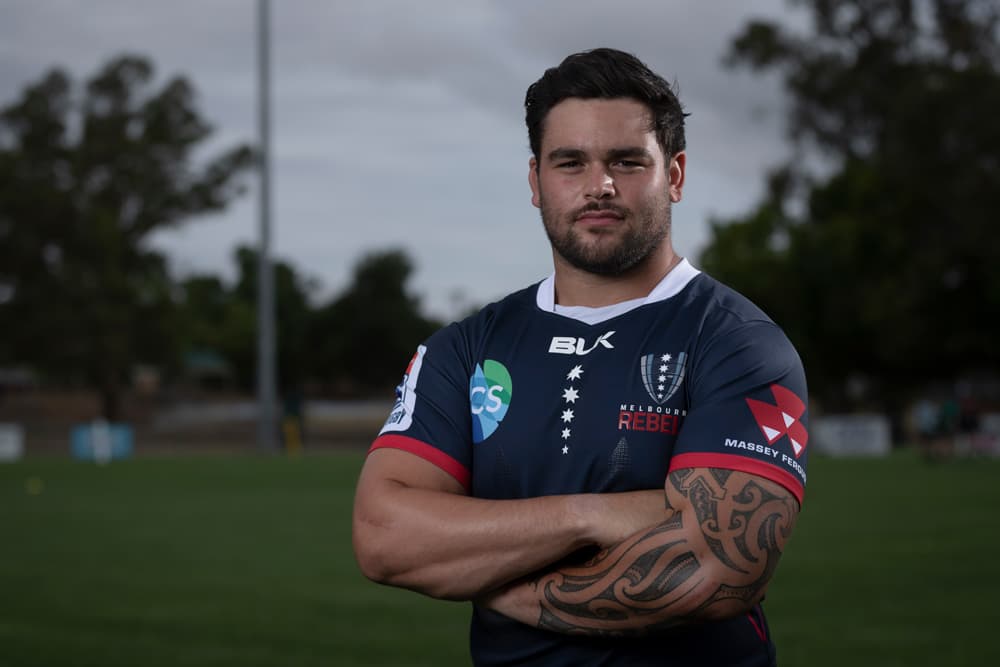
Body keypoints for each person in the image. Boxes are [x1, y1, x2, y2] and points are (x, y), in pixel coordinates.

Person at [352, 47, 809, 667]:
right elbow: (383, 537)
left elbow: (718, 569)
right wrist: (587, 515)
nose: (600, 186)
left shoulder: (737, 342)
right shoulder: (466, 347)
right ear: (536, 182)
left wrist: (493, 581)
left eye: (627, 161)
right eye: (571, 162)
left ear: (673, 175)